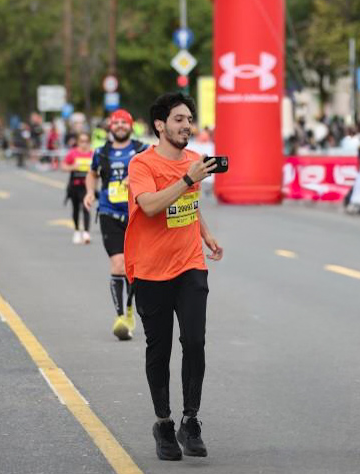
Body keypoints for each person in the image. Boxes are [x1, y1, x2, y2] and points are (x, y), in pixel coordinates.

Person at [124, 92, 223, 461]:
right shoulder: (141, 165)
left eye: (189, 119)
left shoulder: (196, 161)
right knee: (159, 348)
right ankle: (164, 423)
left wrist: (206, 233)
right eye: (179, 119)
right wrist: (186, 178)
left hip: (190, 264)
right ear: (161, 125)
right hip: (150, 270)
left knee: (194, 342)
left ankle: (190, 420)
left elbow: (189, 205)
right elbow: (149, 206)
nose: (187, 126)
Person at [85, 109, 148, 341]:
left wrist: (137, 178)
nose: (120, 125)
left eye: (124, 122)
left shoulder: (142, 150)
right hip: (109, 213)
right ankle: (121, 317)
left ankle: (131, 310)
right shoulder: (101, 153)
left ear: (131, 126)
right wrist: (90, 192)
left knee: (135, 268)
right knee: (118, 264)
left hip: (137, 214)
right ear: (110, 127)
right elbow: (92, 174)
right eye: (116, 122)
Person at [62, 133, 94, 244]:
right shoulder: (73, 153)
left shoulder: (92, 154)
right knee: (76, 209)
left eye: (86, 141)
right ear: (78, 142)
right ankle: (76, 230)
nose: (84, 144)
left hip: (86, 186)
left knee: (86, 208)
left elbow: (97, 169)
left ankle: (86, 232)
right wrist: (72, 167)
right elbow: (63, 166)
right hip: (75, 185)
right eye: (81, 141)